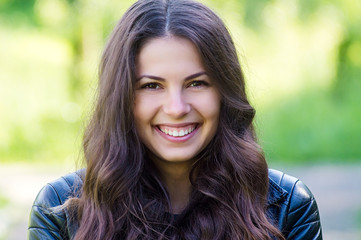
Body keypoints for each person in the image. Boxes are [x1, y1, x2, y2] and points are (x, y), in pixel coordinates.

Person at [28, 0, 322, 239]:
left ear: (224, 92)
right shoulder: (58, 210)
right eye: (151, 86)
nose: (177, 107)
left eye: (197, 83)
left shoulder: (288, 208)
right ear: (120, 99)